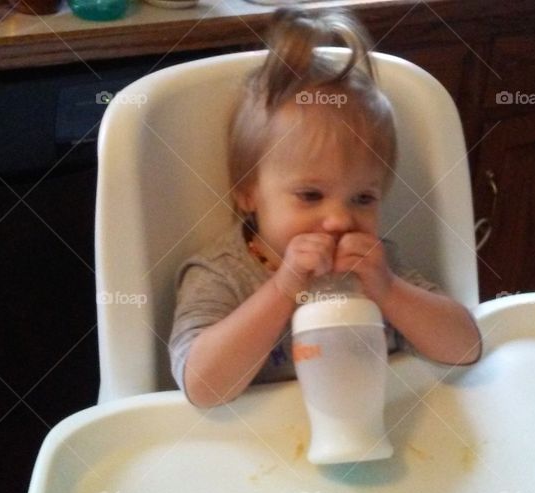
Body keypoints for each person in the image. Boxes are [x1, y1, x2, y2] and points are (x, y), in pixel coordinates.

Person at [169, 7, 481, 408]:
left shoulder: (376, 268)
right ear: (248, 193)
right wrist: (283, 290)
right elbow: (201, 386)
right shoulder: (222, 275)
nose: (338, 220)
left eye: (363, 198)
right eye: (310, 195)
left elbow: (464, 348)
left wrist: (388, 289)